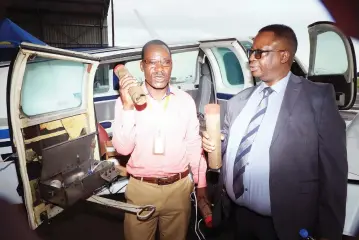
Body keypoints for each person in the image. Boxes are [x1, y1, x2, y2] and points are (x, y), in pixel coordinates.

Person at [202, 24, 347, 240]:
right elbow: (227, 145)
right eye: (251, 52)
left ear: (284, 56)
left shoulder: (317, 99)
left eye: (259, 52)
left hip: (285, 225)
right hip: (234, 218)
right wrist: (215, 143)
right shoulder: (238, 101)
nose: (251, 58)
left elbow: (333, 173)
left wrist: (328, 233)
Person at [112, 39, 208, 240]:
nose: (159, 69)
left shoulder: (185, 101)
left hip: (179, 189)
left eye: (165, 62)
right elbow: (122, 149)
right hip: (141, 189)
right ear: (142, 66)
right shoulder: (125, 101)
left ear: (172, 65)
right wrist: (128, 107)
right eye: (152, 62)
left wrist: (200, 184)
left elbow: (193, 145)